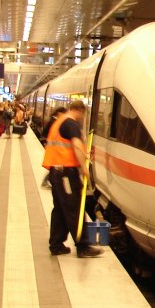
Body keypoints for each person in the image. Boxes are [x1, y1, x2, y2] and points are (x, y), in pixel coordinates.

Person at [42, 100, 102, 258]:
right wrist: (84, 168)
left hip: (57, 171)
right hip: (65, 174)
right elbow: (76, 145)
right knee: (74, 208)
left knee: (60, 210)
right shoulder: (71, 124)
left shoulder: (60, 121)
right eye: (83, 114)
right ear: (80, 111)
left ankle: (56, 245)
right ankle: (83, 247)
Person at [40, 107, 67, 188]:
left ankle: (46, 181)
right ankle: (46, 181)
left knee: (54, 166)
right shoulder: (54, 122)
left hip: (52, 147)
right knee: (54, 166)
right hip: (53, 148)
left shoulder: (54, 120)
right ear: (59, 113)